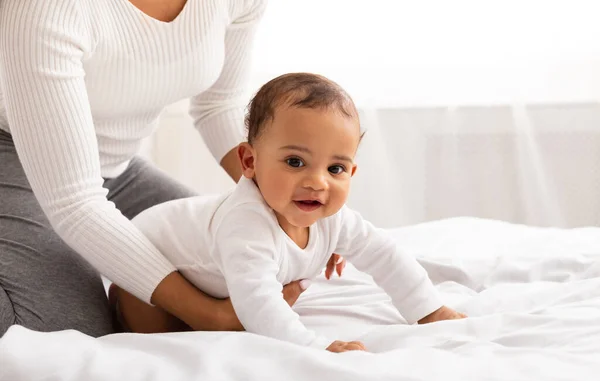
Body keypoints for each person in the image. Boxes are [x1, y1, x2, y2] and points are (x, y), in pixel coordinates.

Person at [0, 0, 343, 338]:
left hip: (114, 167)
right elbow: (74, 202)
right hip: (13, 156)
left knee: (228, 253)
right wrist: (212, 316)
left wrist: (301, 199)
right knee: (65, 330)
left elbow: (218, 104)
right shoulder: (45, 7)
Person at [113, 73, 467, 352]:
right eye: (295, 162)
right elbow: (259, 303)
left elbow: (384, 254)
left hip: (200, 269)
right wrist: (314, 345)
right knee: (167, 345)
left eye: (336, 169)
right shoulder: (246, 224)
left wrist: (429, 309)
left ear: (352, 173)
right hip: (143, 270)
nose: (317, 182)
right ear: (250, 162)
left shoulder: (332, 219)